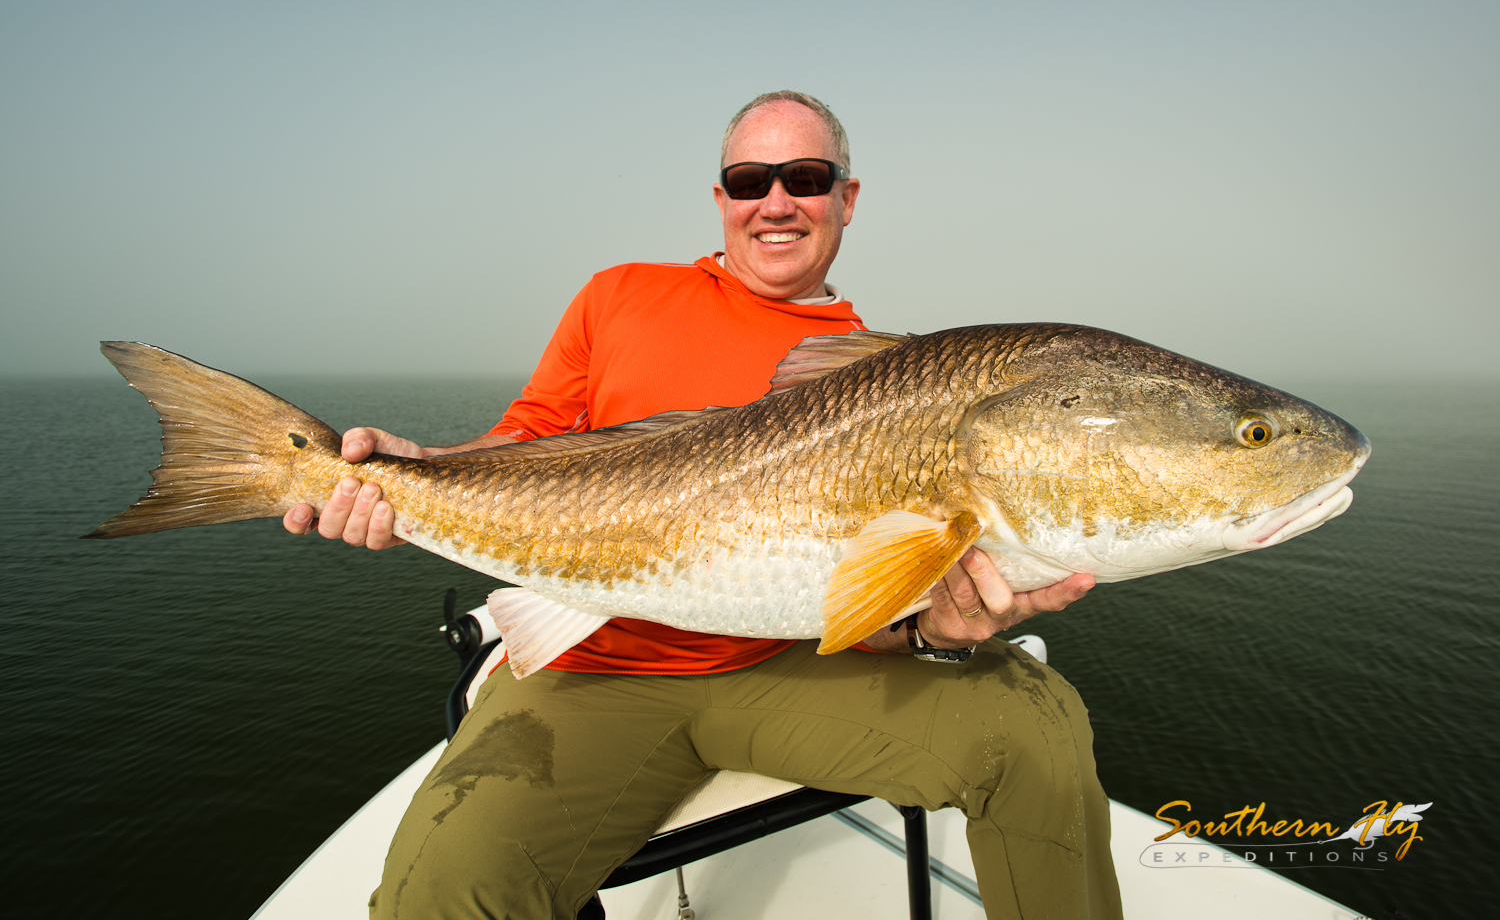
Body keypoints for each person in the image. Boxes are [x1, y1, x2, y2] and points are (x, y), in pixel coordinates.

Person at [286, 91, 1123, 919]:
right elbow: (527, 441)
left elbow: (852, 603)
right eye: (751, 179)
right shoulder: (619, 296)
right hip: (591, 669)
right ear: (722, 200)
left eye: (804, 174)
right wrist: (417, 471)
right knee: (439, 891)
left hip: (774, 663)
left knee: (1038, 726)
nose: (777, 202)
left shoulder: (881, 375)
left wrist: (934, 630)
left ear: (846, 197)